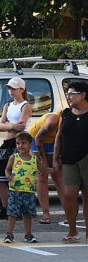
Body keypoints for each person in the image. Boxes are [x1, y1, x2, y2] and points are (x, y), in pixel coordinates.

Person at [52, 81, 88, 244]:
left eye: (72, 93)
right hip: (68, 160)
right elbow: (59, 137)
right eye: (68, 94)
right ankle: (72, 231)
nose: (69, 96)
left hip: (86, 159)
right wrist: (55, 158)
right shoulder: (65, 113)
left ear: (83, 95)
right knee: (69, 195)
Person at [0, 77, 32, 220]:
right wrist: (11, 126)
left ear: (22, 89)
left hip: (18, 143)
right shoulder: (7, 106)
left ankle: (18, 208)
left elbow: (21, 125)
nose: (11, 91)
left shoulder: (25, 106)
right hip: (7, 142)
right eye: (9, 88)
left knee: (16, 175)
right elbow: (1, 124)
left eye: (14, 88)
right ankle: (6, 207)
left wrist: (9, 125)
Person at [4, 132, 45, 243]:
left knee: (27, 214)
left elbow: (42, 169)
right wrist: (8, 176)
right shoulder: (14, 157)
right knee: (12, 214)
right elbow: (7, 169)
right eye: (18, 143)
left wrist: (53, 169)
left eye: (23, 143)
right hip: (15, 191)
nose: (20, 146)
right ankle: (9, 234)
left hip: (29, 191)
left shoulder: (34, 159)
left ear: (30, 145)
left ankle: (28, 234)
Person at [28, 111, 64, 224]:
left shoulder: (70, 122)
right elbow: (38, 138)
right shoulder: (52, 122)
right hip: (37, 139)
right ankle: (45, 213)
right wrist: (43, 161)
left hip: (54, 141)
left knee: (58, 175)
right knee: (42, 175)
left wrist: (56, 159)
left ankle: (68, 212)